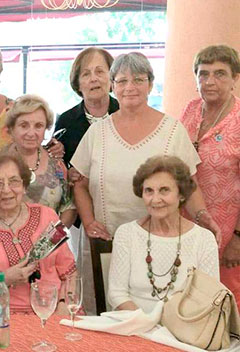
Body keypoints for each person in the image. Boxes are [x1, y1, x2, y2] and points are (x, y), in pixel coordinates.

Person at [71, 52, 221, 314]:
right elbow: (79, 182)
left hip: (161, 242)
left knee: (160, 307)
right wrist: (89, 221)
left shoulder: (172, 130)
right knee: (108, 309)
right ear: (113, 86)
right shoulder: (97, 132)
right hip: (106, 242)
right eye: (122, 81)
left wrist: (202, 215)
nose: (130, 87)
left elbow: (190, 182)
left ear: (151, 84)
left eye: (138, 80)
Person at [0, 152, 76, 314]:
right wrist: (3, 280)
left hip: (51, 310)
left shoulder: (48, 216)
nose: (6, 190)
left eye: (14, 181)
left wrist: (64, 303)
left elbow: (70, 273)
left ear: (24, 186)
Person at [109, 155, 219, 313]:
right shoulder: (126, 234)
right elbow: (116, 294)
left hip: (184, 325)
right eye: (149, 191)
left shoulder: (203, 239)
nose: (155, 199)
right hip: (135, 323)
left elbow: (208, 297)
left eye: (164, 190)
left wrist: (172, 325)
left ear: (181, 194)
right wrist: (148, 322)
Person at [180, 44, 240, 308]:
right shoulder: (191, 110)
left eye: (220, 74)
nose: (210, 81)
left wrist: (238, 238)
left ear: (235, 78)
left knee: (226, 303)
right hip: (187, 225)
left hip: (228, 233)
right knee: (188, 301)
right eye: (203, 74)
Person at [0, 95, 76, 228]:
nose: (31, 133)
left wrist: (53, 237)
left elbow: (68, 207)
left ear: (46, 129)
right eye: (24, 125)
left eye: (38, 126)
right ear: (11, 128)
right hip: (1, 238)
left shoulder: (57, 165)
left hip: (49, 239)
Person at [55, 47, 119, 167]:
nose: (93, 79)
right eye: (86, 74)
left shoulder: (127, 113)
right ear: (78, 84)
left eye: (99, 72)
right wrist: (69, 173)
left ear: (112, 78)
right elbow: (58, 165)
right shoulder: (66, 121)